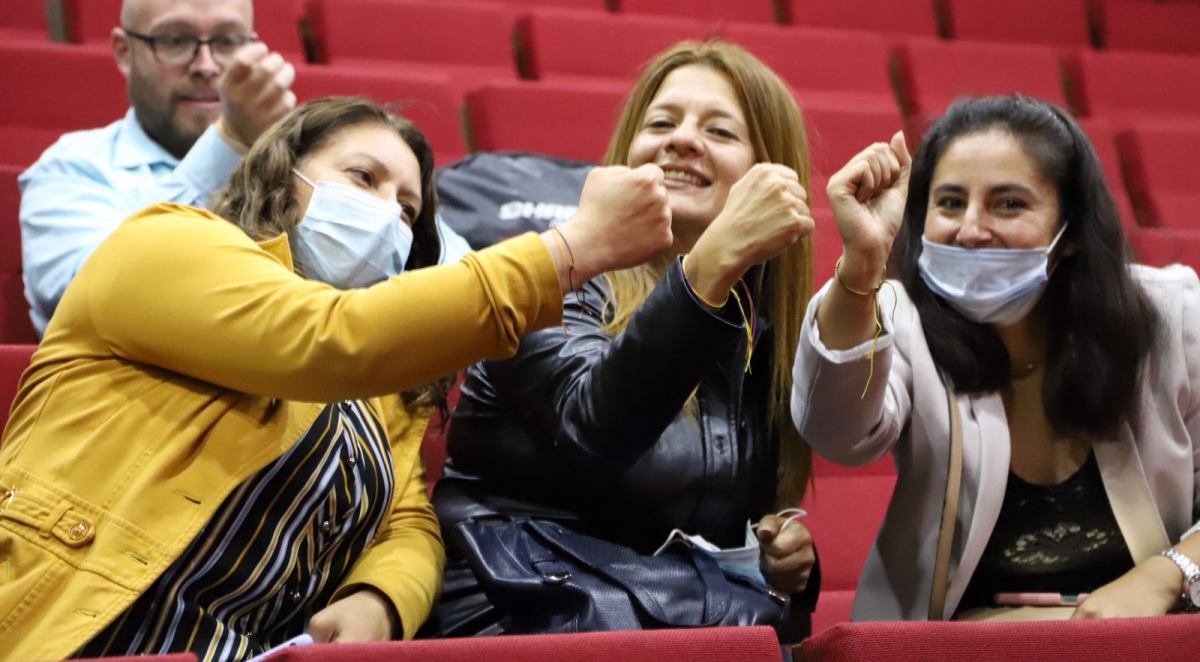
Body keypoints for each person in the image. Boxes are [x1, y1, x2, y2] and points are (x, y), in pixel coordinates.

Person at [0, 96, 674, 662]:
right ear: (280, 174)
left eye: (408, 210)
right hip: (80, 626)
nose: (388, 212)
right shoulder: (166, 243)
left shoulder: (389, 387)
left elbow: (406, 521)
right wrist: (568, 250)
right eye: (363, 178)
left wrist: (377, 599)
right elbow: (327, 339)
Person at [428, 40, 822, 641]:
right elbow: (595, 430)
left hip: (668, 625)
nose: (682, 139)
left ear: (769, 176)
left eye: (719, 130)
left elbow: (715, 541)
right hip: (514, 621)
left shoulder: (759, 333)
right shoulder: (543, 280)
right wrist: (711, 265)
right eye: (661, 123)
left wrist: (782, 566)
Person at [791, 95, 1200, 621]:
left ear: (1070, 231)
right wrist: (862, 265)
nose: (971, 229)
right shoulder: (899, 316)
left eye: (1009, 204)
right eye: (951, 203)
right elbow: (834, 433)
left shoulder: (1173, 314)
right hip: (956, 647)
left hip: (1141, 642)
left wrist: (1164, 576)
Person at [17, 0, 469, 337]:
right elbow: (90, 297)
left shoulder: (304, 168)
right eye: (176, 41)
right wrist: (229, 141)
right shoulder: (72, 168)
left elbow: (456, 276)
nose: (207, 64)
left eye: (228, 41)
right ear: (123, 52)